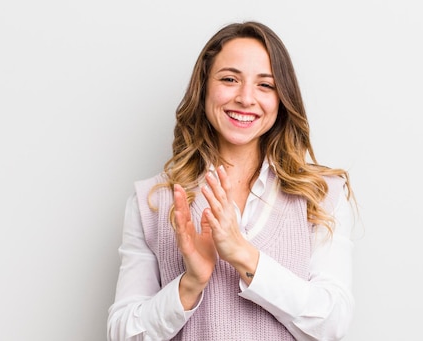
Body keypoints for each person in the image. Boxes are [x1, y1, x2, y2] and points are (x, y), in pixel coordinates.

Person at [107, 21, 356, 341]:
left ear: (282, 98)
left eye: (265, 85)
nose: (245, 98)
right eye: (229, 79)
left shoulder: (321, 196)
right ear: (204, 87)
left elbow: (332, 323)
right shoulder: (153, 201)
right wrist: (191, 283)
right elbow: (124, 333)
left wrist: (243, 255)